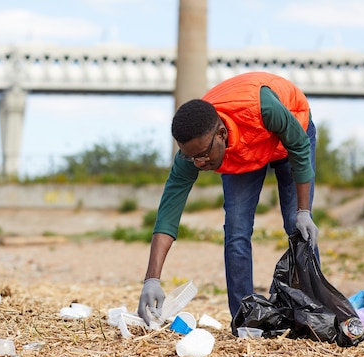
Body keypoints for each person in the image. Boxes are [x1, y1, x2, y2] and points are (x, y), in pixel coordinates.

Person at [137, 71, 319, 326]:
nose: (199, 163)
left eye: (202, 154)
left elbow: (299, 147)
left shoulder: (263, 107)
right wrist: (152, 279)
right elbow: (169, 212)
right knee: (236, 230)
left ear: (221, 133)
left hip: (289, 136)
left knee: (295, 225)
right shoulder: (194, 150)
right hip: (246, 149)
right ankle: (245, 318)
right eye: (192, 158)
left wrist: (303, 211)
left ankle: (311, 310)